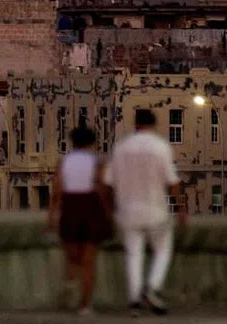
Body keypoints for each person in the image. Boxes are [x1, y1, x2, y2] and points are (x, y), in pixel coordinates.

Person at [103, 109, 185, 316]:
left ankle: (134, 301)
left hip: (127, 211)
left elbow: (109, 183)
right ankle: (152, 287)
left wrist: (110, 208)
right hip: (155, 209)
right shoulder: (161, 147)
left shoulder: (122, 147)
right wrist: (181, 208)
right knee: (163, 250)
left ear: (135, 124)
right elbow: (172, 182)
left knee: (133, 254)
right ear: (154, 124)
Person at [46, 124, 113, 316]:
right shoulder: (97, 161)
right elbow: (101, 189)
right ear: (92, 143)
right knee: (89, 261)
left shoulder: (64, 162)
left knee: (72, 257)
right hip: (91, 209)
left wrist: (51, 218)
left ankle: (69, 284)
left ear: (72, 142)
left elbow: (57, 192)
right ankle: (84, 305)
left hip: (70, 209)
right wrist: (108, 214)